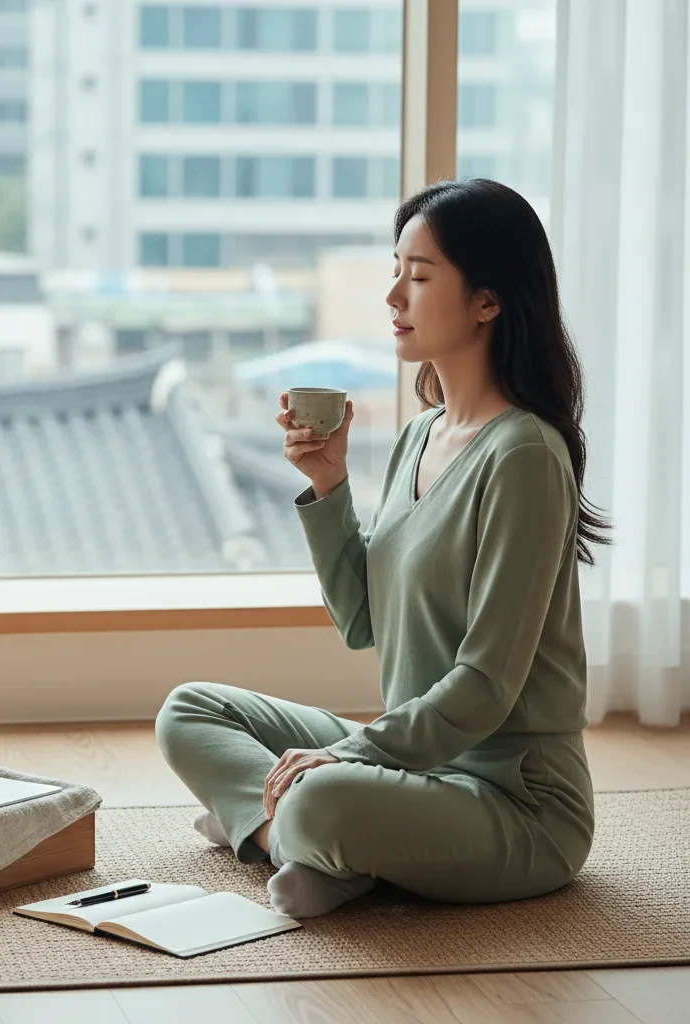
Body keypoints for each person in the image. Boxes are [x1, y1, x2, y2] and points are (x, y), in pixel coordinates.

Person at [155, 178, 612, 920]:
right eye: (395, 269)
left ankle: (288, 831)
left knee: (324, 799)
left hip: (514, 800)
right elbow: (362, 621)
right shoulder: (418, 434)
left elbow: (488, 684)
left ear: (488, 301)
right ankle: (293, 838)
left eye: (421, 276)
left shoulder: (525, 454)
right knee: (190, 711)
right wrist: (329, 485)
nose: (394, 295)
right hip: (411, 761)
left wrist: (346, 758)